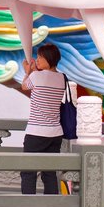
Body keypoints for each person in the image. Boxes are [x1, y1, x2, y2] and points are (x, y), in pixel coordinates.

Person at [20, 43, 66, 194]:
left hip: (36, 133)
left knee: (28, 172)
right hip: (55, 134)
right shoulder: (62, 78)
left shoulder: (35, 76)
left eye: (40, 57)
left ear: (49, 58)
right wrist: (34, 71)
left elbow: (25, 86)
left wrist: (28, 72)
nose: (37, 60)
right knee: (49, 173)